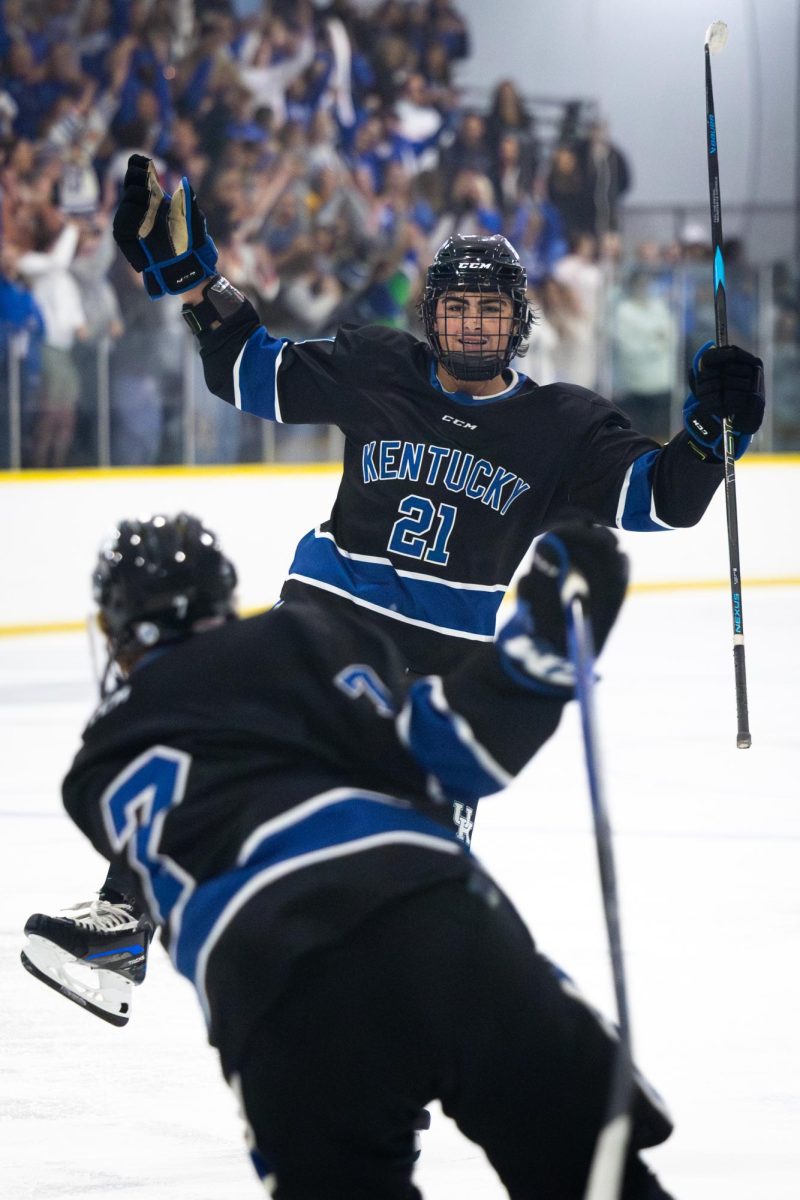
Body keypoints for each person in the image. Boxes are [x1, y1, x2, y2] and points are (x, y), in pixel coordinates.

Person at [21, 153, 765, 1014]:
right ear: (433, 316)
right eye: (459, 309)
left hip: (439, 673)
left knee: (406, 885)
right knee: (207, 731)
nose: (475, 326)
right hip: (321, 624)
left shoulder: (564, 425)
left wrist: (712, 436)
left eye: (492, 311)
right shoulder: (379, 365)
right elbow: (247, 370)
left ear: (517, 322)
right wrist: (195, 284)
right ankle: (124, 920)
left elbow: (663, 501)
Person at [23, 512, 676, 1199]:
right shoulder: (308, 635)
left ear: (118, 631)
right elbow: (455, 753)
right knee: (596, 1178)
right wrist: (540, 645)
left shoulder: (92, 774)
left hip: (279, 997)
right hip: (438, 921)